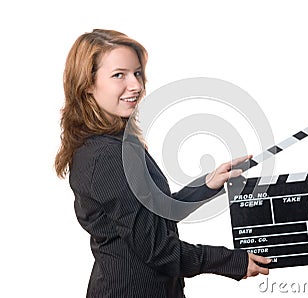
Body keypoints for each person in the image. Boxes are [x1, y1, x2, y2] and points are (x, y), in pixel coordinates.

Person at [55, 29, 271, 297]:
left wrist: (208, 184)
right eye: (118, 75)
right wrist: (232, 261)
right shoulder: (105, 157)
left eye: (137, 73)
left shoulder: (119, 142)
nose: (135, 85)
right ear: (87, 84)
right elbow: (159, 250)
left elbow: (156, 212)